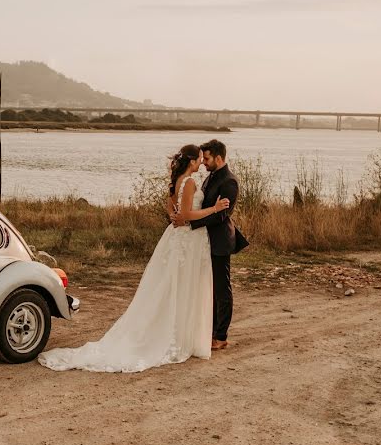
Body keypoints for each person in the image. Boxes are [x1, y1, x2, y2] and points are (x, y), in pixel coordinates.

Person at [38, 144, 227, 373]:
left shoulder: (178, 182)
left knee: (173, 287)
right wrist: (214, 209)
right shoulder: (189, 183)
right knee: (181, 287)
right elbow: (186, 215)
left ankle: (179, 334)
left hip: (179, 238)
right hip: (186, 240)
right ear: (191, 161)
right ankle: (178, 337)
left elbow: (173, 210)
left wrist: (175, 216)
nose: (201, 163)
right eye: (198, 159)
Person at [172, 139, 247, 350]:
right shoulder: (209, 177)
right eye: (202, 158)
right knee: (207, 288)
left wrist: (189, 221)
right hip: (202, 240)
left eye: (207, 158)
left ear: (219, 157)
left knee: (222, 289)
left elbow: (221, 215)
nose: (203, 162)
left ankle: (221, 336)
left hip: (220, 240)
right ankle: (208, 331)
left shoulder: (229, 182)